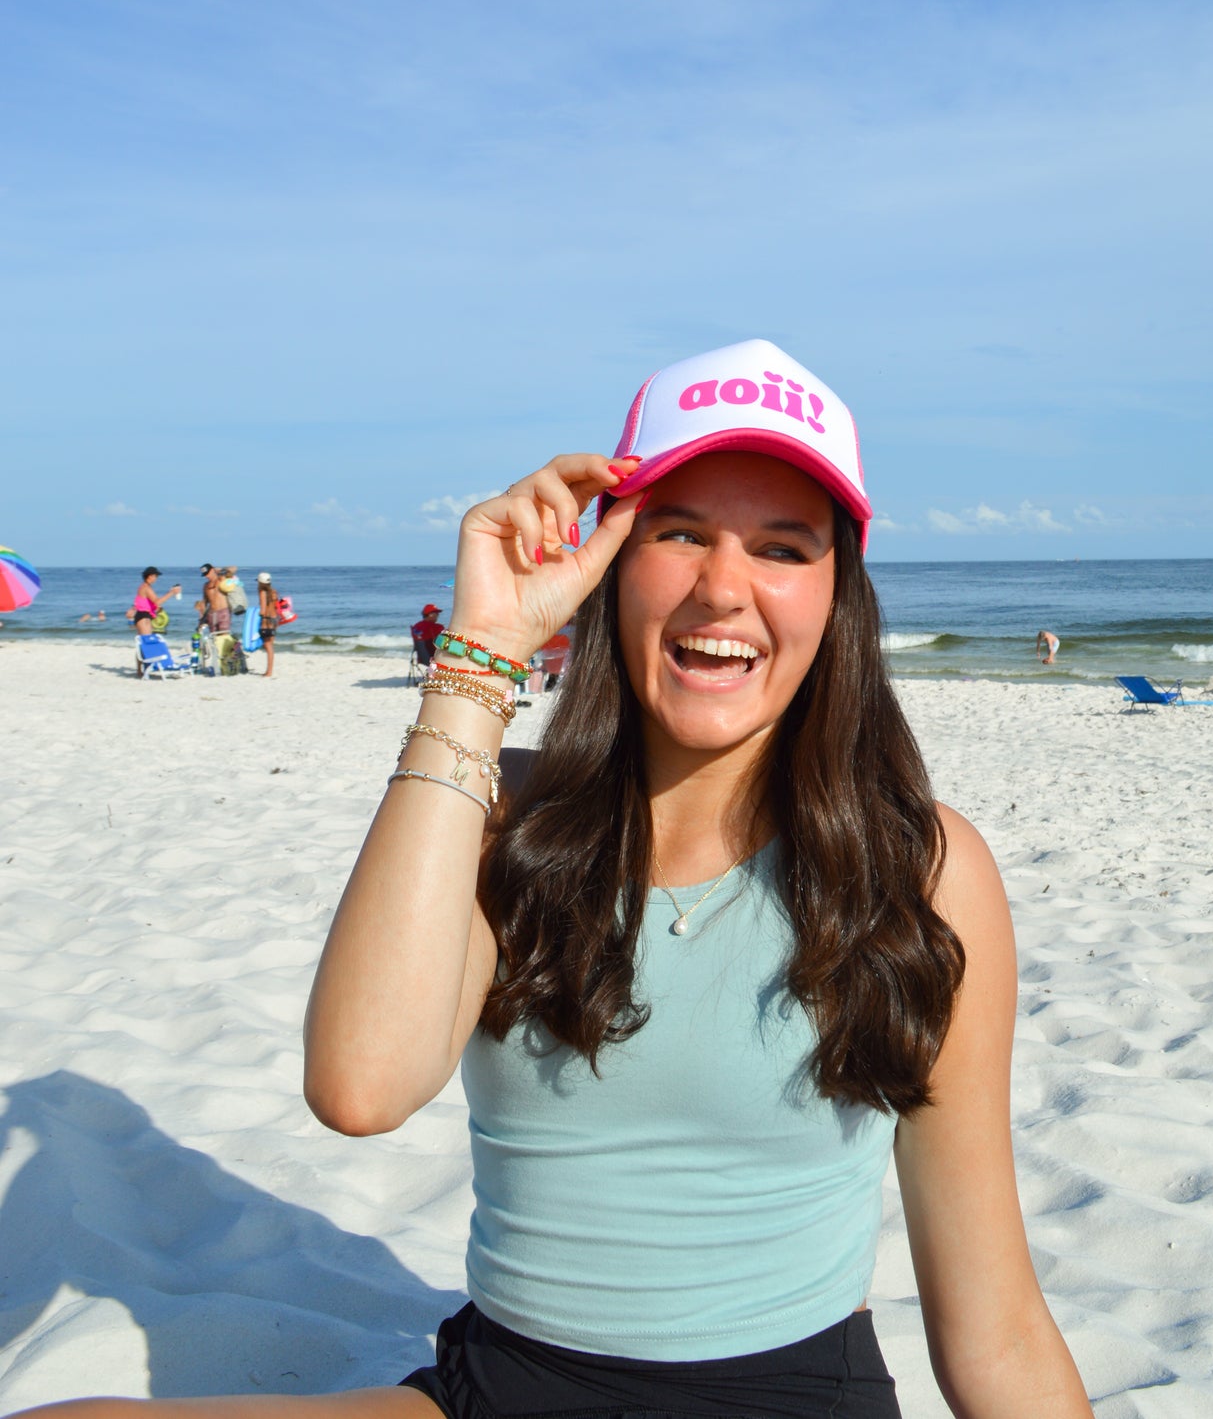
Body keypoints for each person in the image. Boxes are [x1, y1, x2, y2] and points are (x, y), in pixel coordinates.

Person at [21, 337, 1089, 1419]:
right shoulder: (501, 820)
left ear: (834, 594)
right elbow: (359, 1085)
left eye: (781, 547)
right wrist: (480, 653)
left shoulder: (917, 865)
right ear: (609, 564)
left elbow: (993, 1323)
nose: (724, 589)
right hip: (504, 1387)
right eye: (678, 534)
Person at [257, 573, 281, 679]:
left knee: (268, 646)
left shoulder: (263, 592)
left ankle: (269, 672)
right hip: (274, 620)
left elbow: (262, 610)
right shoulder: (274, 592)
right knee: (270, 645)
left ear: (260, 583)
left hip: (266, 621)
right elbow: (276, 607)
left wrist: (255, 614)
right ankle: (269, 670)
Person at [411, 601, 445, 667]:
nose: (438, 616)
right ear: (430, 614)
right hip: (435, 658)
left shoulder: (416, 627)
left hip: (422, 659)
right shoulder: (437, 627)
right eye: (436, 613)